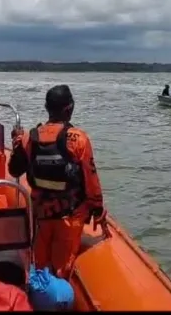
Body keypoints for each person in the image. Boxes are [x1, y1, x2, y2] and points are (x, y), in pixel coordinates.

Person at [8, 85, 106, 279]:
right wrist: (98, 210)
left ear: (47, 107)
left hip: (41, 214)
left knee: (40, 266)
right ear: (69, 109)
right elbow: (91, 178)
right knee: (62, 271)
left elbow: (14, 170)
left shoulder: (29, 137)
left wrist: (17, 144)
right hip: (69, 217)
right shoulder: (78, 139)